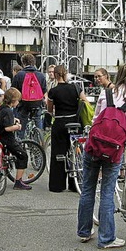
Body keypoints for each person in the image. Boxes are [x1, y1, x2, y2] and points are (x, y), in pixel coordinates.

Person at [77, 63, 126, 249]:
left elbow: (96, 119)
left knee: (88, 188)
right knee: (107, 192)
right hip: (114, 151)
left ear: (118, 76)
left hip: (94, 145)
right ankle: (106, 238)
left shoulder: (106, 93)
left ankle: (84, 231)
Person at [46, 64, 89, 192]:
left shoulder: (53, 91)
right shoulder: (76, 88)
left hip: (60, 122)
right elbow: (85, 102)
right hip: (75, 122)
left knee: (58, 152)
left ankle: (57, 185)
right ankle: (76, 183)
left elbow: (49, 109)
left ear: (56, 75)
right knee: (76, 151)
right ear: (66, 74)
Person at [0, 87, 33, 190]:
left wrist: (14, 119)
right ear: (13, 100)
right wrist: (17, 127)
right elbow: (8, 128)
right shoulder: (8, 111)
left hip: (0, 137)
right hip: (8, 138)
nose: (19, 102)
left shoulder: (2, 108)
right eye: (18, 100)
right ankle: (18, 182)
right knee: (22, 155)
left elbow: (4, 120)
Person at [11, 54, 47, 137]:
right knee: (38, 119)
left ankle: (21, 142)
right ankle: (40, 139)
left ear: (23, 63)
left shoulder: (19, 75)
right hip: (37, 104)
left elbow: (13, 91)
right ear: (34, 62)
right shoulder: (41, 75)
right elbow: (44, 91)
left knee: (21, 126)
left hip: (24, 104)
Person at [44, 64, 57, 129]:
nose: (51, 73)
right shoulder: (48, 82)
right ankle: (47, 127)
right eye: (49, 72)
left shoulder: (58, 82)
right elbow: (46, 91)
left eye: (52, 72)